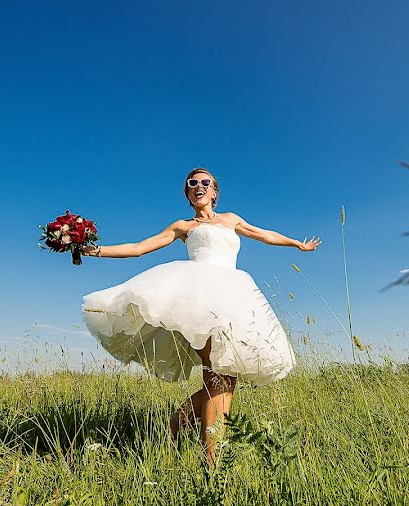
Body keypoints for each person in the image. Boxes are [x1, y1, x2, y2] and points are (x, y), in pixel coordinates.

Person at [80, 168, 321, 464]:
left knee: (226, 377)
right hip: (198, 298)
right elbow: (139, 249)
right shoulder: (183, 226)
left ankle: (177, 425)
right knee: (216, 373)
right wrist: (94, 251)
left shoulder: (231, 220)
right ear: (188, 194)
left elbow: (264, 234)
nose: (198, 186)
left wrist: (297, 244)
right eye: (192, 183)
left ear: (215, 192)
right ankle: (213, 462)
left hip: (234, 296)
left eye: (205, 182)